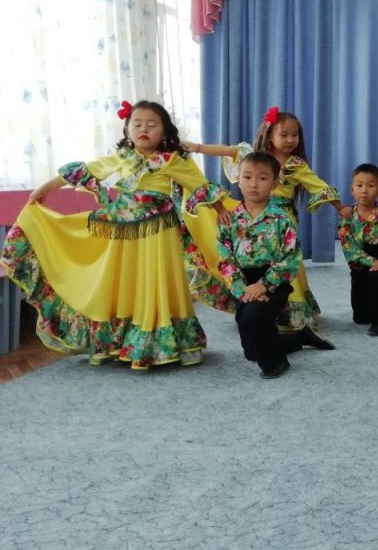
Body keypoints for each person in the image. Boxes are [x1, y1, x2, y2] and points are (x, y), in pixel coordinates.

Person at [0, 100, 227, 370]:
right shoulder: (121, 158)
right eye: (137, 124)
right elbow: (85, 170)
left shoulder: (173, 160)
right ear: (127, 129)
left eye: (152, 124)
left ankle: (182, 342)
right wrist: (46, 188)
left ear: (165, 132)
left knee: (160, 280)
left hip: (160, 233)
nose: (144, 129)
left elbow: (199, 185)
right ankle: (112, 342)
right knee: (124, 283)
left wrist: (220, 209)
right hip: (123, 234)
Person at [184, 107, 344, 330]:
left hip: (280, 216)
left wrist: (340, 207)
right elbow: (229, 150)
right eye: (284, 134)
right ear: (270, 135)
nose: (290, 140)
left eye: (294, 135)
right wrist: (198, 148)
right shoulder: (255, 158)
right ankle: (252, 298)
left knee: (286, 260)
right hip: (251, 213)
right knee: (248, 255)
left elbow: (318, 185)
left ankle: (290, 311)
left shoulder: (296, 165)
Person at [215, 151, 334, 379]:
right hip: (243, 283)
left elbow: (291, 257)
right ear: (238, 179)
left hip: (274, 282)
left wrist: (264, 285)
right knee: (251, 351)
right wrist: (243, 290)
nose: (253, 184)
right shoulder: (229, 220)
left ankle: (276, 364)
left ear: (274, 183)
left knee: (255, 317)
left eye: (262, 178)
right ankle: (300, 337)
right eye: (247, 177)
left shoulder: (281, 219)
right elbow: (224, 260)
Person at [339, 163, 378, 337]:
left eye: (371, 185)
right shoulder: (347, 217)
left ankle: (377, 322)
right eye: (359, 185)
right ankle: (367, 311)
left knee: (377, 284)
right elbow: (348, 246)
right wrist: (370, 261)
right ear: (352, 190)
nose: (364, 190)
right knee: (359, 317)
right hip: (358, 262)